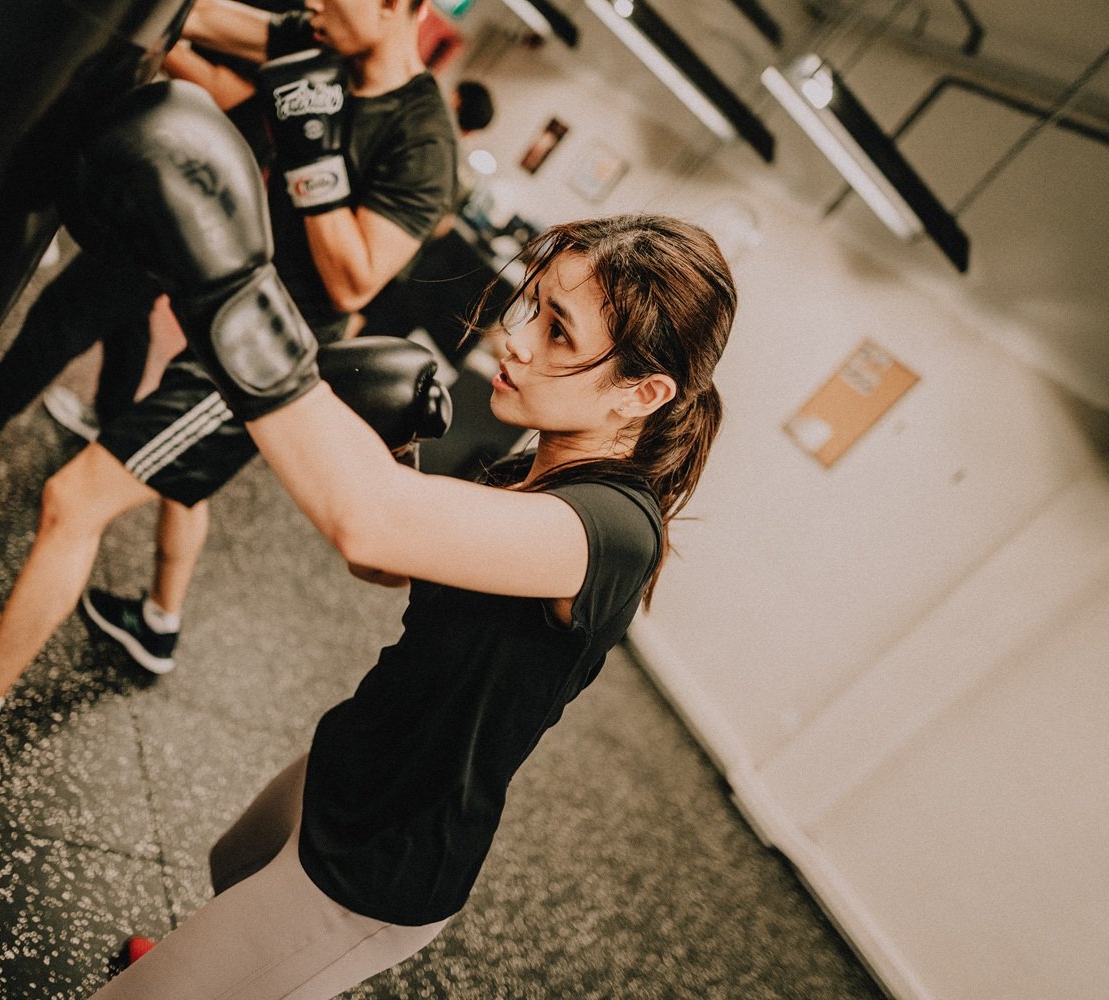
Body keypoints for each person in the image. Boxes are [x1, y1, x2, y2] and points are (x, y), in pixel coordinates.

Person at [57, 83, 736, 998]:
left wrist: (233, 288)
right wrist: (385, 441)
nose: (515, 337)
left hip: (379, 866)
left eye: (558, 330)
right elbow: (380, 555)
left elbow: (367, 518)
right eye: (531, 306)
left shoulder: (609, 531)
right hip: (351, 765)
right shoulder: (529, 470)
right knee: (233, 869)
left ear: (641, 394)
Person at [0, 0, 459, 770]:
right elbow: (200, 15)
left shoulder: (424, 140)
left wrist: (312, 157)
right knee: (180, 481)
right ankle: (157, 621)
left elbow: (355, 278)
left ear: (405, 7)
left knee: (74, 500)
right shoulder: (314, 38)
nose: (318, 4)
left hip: (267, 352)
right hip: (225, 299)